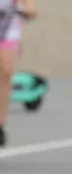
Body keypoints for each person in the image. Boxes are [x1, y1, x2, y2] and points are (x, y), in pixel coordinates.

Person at [0, 0, 37, 148]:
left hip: (7, 32)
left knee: (5, 72)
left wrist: (26, 10)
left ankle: (0, 124)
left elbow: (31, 8)